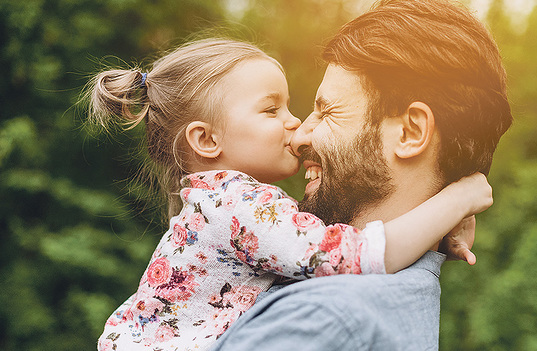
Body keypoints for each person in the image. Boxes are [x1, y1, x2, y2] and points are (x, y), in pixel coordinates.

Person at [89, 38, 491, 351]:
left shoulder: (222, 206)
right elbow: (355, 255)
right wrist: (457, 198)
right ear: (207, 139)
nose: (295, 125)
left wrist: (440, 226)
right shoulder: (238, 206)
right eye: (271, 111)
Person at [209, 0, 513, 350]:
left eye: (327, 112)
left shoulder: (321, 324)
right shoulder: (389, 300)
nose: (300, 136)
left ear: (411, 132)